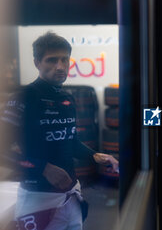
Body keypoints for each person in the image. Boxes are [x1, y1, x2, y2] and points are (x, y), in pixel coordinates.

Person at [1, 32, 119, 230]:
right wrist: (44, 168)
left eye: (65, 60)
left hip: (71, 195)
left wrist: (95, 155)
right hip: (36, 199)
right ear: (37, 62)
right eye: (52, 60)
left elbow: (70, 142)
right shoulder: (23, 97)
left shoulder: (67, 99)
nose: (60, 66)